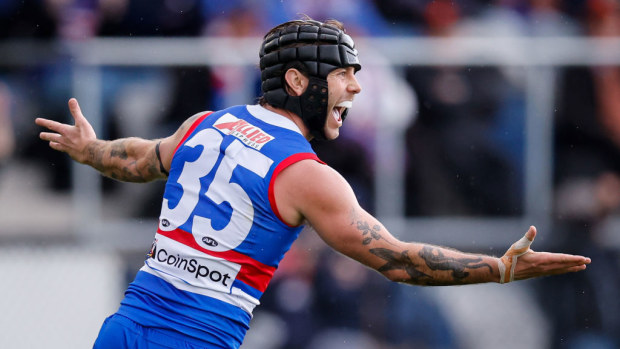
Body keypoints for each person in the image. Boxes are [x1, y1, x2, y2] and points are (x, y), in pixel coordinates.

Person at [36, 18, 591, 349]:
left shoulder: (211, 122)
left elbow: (138, 158)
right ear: (298, 81)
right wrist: (497, 269)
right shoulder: (305, 176)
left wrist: (90, 150)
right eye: (343, 76)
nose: (354, 89)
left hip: (126, 329)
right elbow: (397, 260)